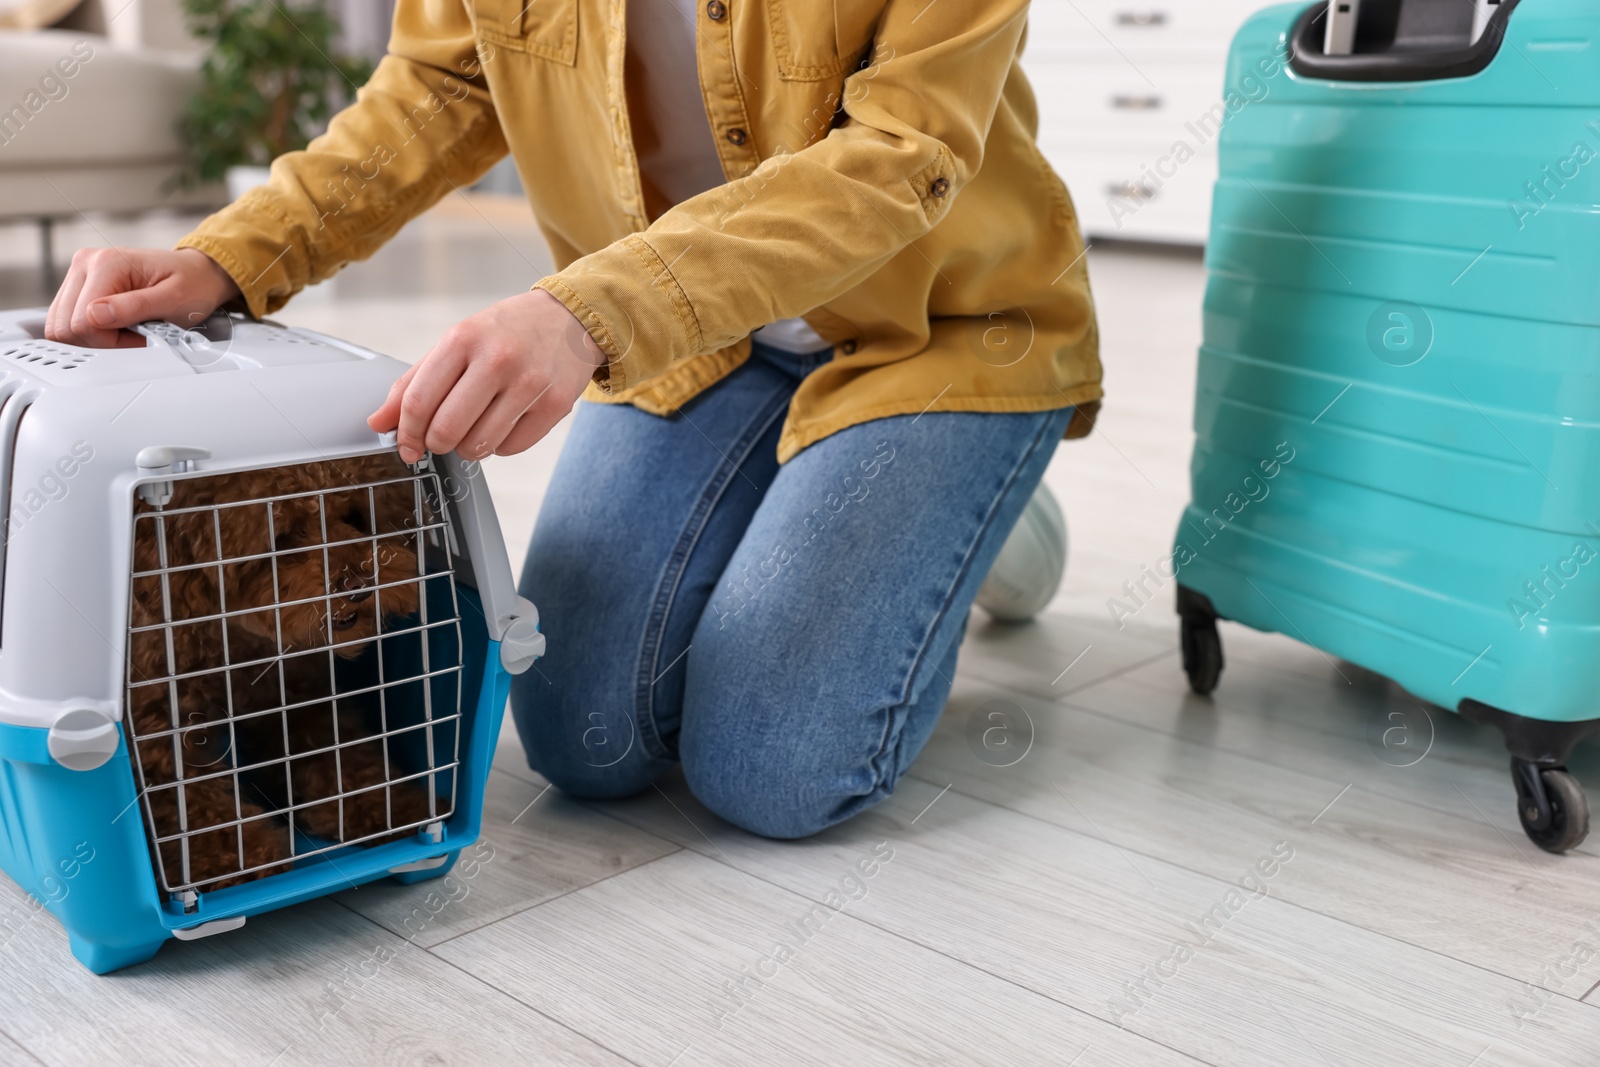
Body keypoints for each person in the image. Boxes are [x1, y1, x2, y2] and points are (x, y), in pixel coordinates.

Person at [45, 0, 1100, 838]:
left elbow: (901, 152)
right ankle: (835, 499)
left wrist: (585, 314)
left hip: (934, 331)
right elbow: (440, 83)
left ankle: (978, 491)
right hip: (693, 344)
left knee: (773, 769)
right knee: (580, 738)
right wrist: (232, 253)